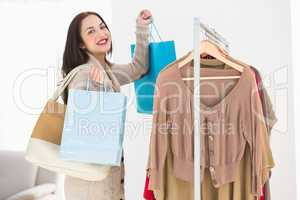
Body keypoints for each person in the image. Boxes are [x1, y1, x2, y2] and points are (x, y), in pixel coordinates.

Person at [61, 9, 152, 200]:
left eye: (102, 27)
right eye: (91, 31)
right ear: (80, 44)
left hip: (104, 181)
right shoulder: (85, 75)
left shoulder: (105, 70)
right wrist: (105, 90)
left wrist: (142, 28)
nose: (101, 33)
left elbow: (138, 69)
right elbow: (88, 131)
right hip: (92, 188)